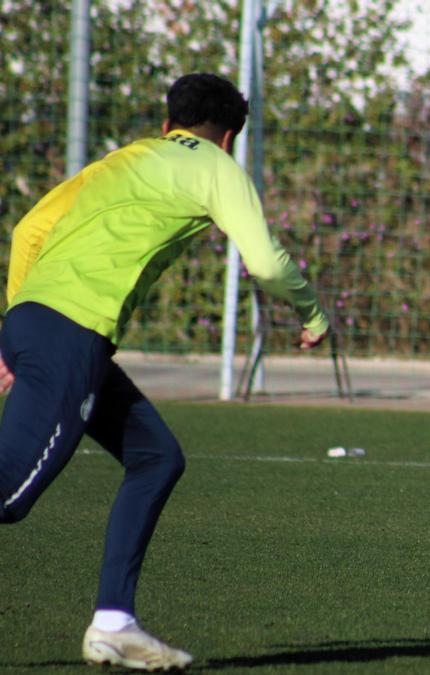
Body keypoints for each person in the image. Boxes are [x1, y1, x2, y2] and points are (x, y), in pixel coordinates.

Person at [0, 73, 329, 670]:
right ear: (228, 137)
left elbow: (28, 231)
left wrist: (12, 332)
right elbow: (264, 262)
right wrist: (312, 311)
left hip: (36, 321)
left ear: (165, 123)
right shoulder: (218, 168)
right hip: (70, 336)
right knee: (8, 495)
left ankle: (114, 623)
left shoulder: (122, 158)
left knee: (156, 457)